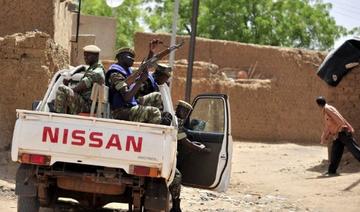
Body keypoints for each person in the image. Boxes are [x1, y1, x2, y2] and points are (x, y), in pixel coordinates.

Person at [105, 47, 165, 124]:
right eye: (129, 56)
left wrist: (151, 52)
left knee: (157, 96)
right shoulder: (115, 74)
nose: (133, 59)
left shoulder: (128, 71)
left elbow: (146, 66)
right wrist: (140, 81)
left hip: (130, 105)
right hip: (120, 111)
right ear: (119, 57)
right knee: (154, 112)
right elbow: (126, 97)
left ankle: (158, 120)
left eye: (133, 57)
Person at [54, 45, 105, 114]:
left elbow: (81, 86)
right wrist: (70, 74)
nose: (85, 58)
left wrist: (69, 90)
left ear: (96, 56)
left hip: (87, 106)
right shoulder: (94, 68)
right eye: (84, 55)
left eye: (87, 56)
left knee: (62, 88)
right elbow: (82, 67)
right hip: (85, 103)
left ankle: (58, 116)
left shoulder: (97, 72)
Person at [316, 96, 360, 176]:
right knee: (335, 153)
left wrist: (342, 128)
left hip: (343, 133)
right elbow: (328, 126)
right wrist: (324, 136)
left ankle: (331, 171)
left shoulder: (328, 109)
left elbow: (339, 119)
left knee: (355, 150)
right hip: (338, 135)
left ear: (318, 105)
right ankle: (331, 171)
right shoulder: (326, 110)